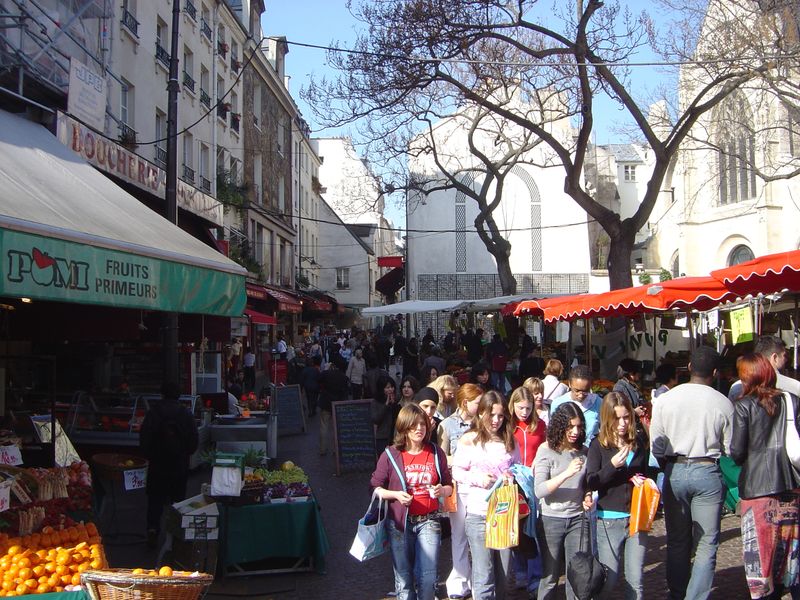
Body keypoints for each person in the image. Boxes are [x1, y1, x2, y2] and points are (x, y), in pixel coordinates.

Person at [649, 346, 734, 600]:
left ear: (688, 368)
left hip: (675, 468)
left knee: (677, 539)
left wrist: (668, 464)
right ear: (716, 372)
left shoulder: (667, 399)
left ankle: (677, 593)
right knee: (707, 542)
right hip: (707, 469)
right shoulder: (723, 402)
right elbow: (730, 447)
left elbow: (657, 444)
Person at [730, 353, 800, 600]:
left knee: (760, 561)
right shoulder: (791, 400)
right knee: (790, 559)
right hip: (791, 484)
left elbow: (736, 451)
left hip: (757, 489)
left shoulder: (743, 405)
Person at [371, 404, 453, 600]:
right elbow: (374, 487)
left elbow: (449, 486)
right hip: (400, 524)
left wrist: (442, 490)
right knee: (404, 579)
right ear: (404, 428)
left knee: (428, 577)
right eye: (413, 425)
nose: (419, 429)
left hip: (429, 520)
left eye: (422, 425)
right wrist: (396, 495)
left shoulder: (434, 452)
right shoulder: (391, 454)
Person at [452, 390, 520, 600]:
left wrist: (512, 477)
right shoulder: (469, 440)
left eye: (500, 416)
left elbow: (518, 468)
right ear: (481, 413)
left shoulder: (510, 440)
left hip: (505, 513)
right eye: (492, 415)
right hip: (479, 513)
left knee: (504, 573)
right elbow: (457, 471)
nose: (496, 420)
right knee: (484, 574)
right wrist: (478, 478)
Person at [585, 392, 650, 600]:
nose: (622, 424)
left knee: (635, 579)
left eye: (626, 418)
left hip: (636, 516)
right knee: (609, 579)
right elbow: (592, 480)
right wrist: (613, 466)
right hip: (609, 518)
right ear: (607, 418)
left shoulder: (638, 442)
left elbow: (643, 471)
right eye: (617, 418)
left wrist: (636, 477)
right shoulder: (599, 445)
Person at [534, 402, 592, 600]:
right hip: (551, 519)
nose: (575, 432)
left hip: (577, 518)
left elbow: (587, 484)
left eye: (578, 427)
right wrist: (566, 474)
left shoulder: (584, 451)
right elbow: (540, 490)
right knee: (550, 576)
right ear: (560, 427)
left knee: (577, 574)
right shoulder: (546, 450)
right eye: (570, 427)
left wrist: (587, 495)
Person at [438, 383, 484, 600]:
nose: (482, 406)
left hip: (478, 487)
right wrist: (462, 459)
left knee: (478, 536)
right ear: (466, 402)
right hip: (457, 487)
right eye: (478, 402)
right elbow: (442, 456)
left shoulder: (482, 424)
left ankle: (479, 581)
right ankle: (459, 580)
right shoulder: (447, 425)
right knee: (458, 534)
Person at [140, 381, 199, 548]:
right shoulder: (185, 413)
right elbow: (193, 441)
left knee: (155, 499)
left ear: (162, 393)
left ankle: (152, 529)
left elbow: (144, 438)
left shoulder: (154, 412)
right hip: (179, 464)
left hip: (157, 465)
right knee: (178, 500)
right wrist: (185, 454)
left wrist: (150, 455)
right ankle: (176, 533)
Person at [509, 386, 546, 597]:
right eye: (520, 408)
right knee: (516, 528)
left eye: (528, 408)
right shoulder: (508, 426)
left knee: (532, 529)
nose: (524, 412)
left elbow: (546, 449)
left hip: (533, 482)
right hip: (513, 482)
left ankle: (534, 577)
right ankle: (521, 571)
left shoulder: (540, 426)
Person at [728, 335, 800, 401]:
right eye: (784, 356)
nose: (786, 360)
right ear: (774, 358)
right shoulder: (794, 386)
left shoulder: (737, 387)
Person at [550, 364, 602, 446]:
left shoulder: (598, 403)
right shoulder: (558, 403)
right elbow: (554, 433)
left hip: (590, 453)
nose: (581, 395)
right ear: (570, 384)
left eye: (585, 391)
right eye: (577, 390)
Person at [318, 358, 350, 456]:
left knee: (324, 426)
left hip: (326, 403)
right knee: (337, 427)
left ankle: (322, 449)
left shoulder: (327, 374)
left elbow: (319, 379)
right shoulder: (344, 377)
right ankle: (335, 449)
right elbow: (346, 392)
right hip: (338, 404)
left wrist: (326, 369)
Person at [372, 375, 400, 452]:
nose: (391, 390)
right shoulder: (376, 402)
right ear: (382, 389)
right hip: (382, 437)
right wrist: (386, 405)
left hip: (395, 436)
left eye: (392, 387)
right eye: (387, 388)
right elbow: (376, 419)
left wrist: (394, 404)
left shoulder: (398, 400)